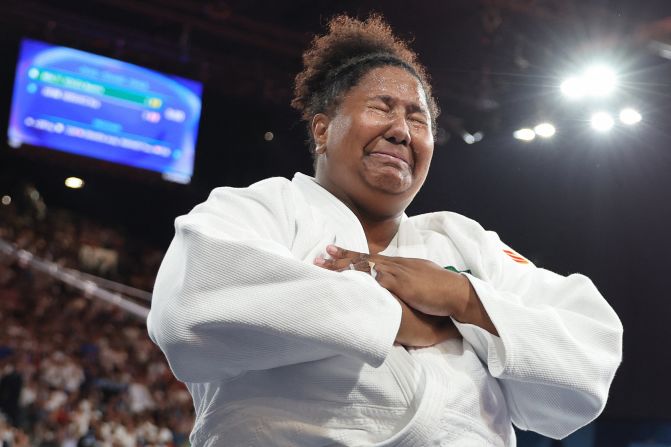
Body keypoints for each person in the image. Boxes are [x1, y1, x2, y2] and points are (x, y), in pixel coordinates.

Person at [147, 14, 623, 446]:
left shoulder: (460, 241)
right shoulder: (266, 207)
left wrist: (461, 298)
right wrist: (408, 320)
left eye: (419, 119)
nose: (402, 130)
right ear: (321, 129)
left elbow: (590, 356)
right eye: (383, 107)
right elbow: (191, 312)